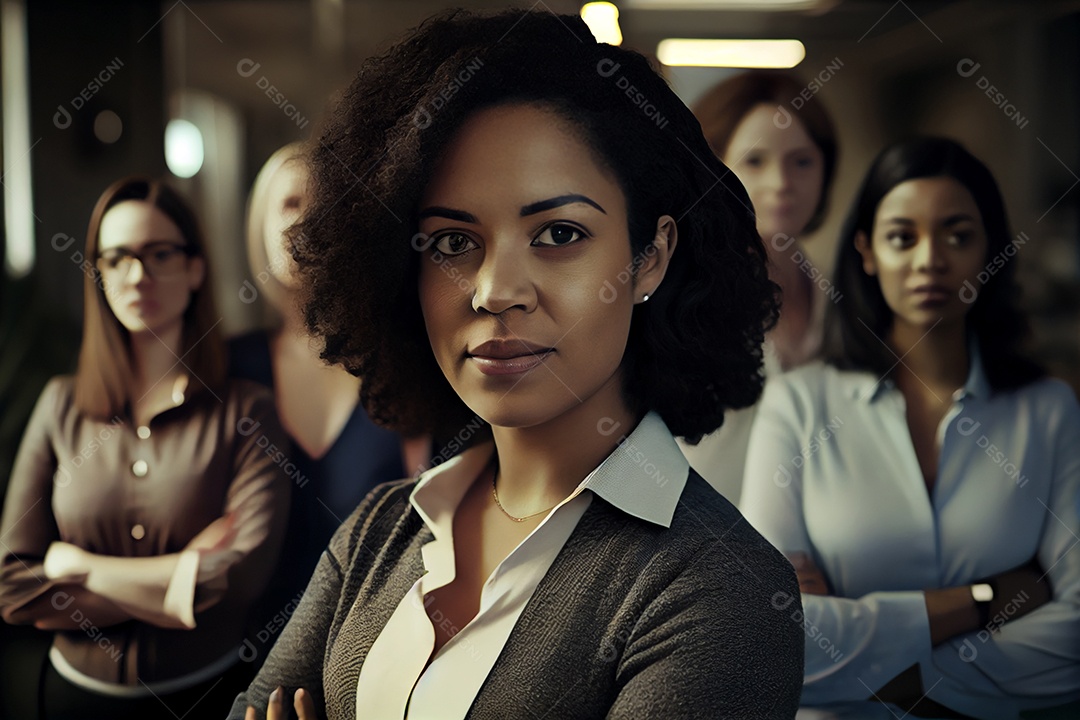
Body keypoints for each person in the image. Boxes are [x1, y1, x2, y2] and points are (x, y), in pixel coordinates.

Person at [229, 9, 802, 720]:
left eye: (558, 233)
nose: (495, 289)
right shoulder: (380, 531)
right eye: (450, 242)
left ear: (649, 256)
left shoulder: (718, 587)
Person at [741, 137, 1080, 719]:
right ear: (867, 251)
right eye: (903, 237)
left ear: (991, 251)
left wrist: (894, 673)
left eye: (958, 235)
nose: (930, 260)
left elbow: (1075, 636)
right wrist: (980, 601)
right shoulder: (798, 404)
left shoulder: (1048, 410)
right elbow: (763, 635)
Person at [0, 177, 290, 719]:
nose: (138, 276)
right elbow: (12, 586)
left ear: (195, 268)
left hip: (206, 698)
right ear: (99, 274)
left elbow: (241, 577)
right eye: (117, 258)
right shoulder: (60, 404)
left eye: (159, 254)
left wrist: (78, 566)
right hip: (68, 702)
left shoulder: (247, 411)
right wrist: (180, 577)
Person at [230, 143, 429, 623]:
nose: (304, 223)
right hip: (238, 660)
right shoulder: (229, 368)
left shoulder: (396, 360)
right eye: (290, 203)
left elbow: (428, 537)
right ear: (259, 223)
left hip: (372, 643)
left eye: (323, 206)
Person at [678, 71, 839, 503]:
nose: (781, 183)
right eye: (755, 161)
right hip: (697, 546)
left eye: (801, 161)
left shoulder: (846, 299)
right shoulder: (679, 298)